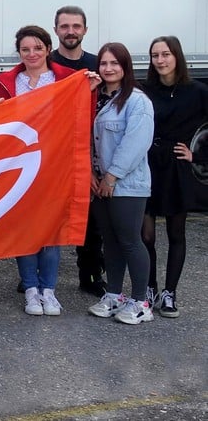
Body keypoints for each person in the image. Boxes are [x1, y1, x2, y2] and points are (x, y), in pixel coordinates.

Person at [0, 25, 80, 316]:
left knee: (51, 230)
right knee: (25, 229)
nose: (31, 54)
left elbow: (80, 115)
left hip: (54, 163)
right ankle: (31, 289)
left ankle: (49, 290)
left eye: (37, 48)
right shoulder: (7, 82)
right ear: (19, 52)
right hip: (19, 163)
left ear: (48, 49)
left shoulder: (66, 79)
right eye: (25, 49)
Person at [87, 42, 156, 325]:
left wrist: (112, 177)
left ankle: (141, 302)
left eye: (115, 63)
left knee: (129, 240)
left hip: (126, 185)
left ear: (125, 66)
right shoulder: (96, 97)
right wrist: (92, 174)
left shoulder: (137, 101)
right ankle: (114, 295)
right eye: (104, 63)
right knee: (111, 241)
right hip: (99, 184)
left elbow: (136, 142)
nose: (108, 68)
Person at [141, 35, 208, 319]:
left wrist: (198, 155)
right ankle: (149, 288)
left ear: (177, 56)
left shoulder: (198, 91)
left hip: (177, 168)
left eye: (165, 54)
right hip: (148, 165)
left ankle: (170, 292)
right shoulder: (144, 90)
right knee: (146, 235)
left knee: (176, 233)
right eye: (155, 55)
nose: (160, 60)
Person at [50, 5, 105, 296]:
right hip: (52, 151)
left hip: (88, 148)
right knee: (47, 215)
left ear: (85, 29)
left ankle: (91, 274)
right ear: (56, 30)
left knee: (91, 219)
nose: (70, 32)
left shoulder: (98, 64)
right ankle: (37, 275)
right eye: (64, 26)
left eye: (76, 26)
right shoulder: (46, 63)